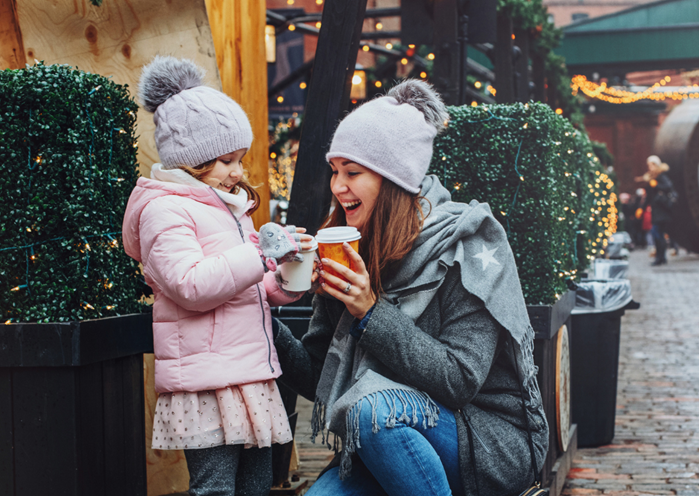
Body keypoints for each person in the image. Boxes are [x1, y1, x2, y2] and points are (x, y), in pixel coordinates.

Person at [273, 80, 548, 496]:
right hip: (383, 436)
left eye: (353, 173)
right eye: (335, 171)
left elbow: (459, 380)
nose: (337, 186)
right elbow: (317, 379)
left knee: (370, 412)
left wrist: (369, 312)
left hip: (482, 441)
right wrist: (262, 316)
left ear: (392, 178)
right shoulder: (348, 244)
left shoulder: (463, 245)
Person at [122, 57, 312, 496]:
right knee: (215, 489)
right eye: (227, 161)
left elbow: (243, 289)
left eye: (240, 160)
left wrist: (284, 278)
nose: (238, 173)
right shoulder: (163, 210)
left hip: (249, 375)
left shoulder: (229, 207)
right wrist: (260, 253)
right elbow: (192, 286)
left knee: (256, 486)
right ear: (192, 159)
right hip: (206, 384)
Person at [636, 155, 674, 266]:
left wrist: (657, 185)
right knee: (657, 234)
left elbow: (668, 186)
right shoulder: (651, 178)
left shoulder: (660, 176)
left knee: (657, 233)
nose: (649, 167)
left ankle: (661, 257)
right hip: (656, 211)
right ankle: (661, 257)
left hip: (662, 210)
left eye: (651, 165)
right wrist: (641, 209)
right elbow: (648, 197)